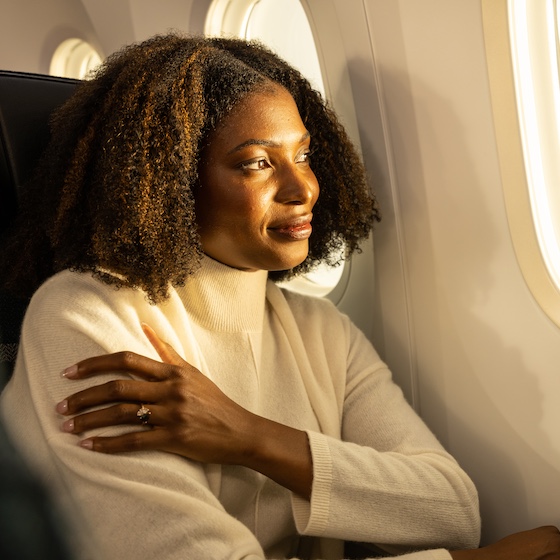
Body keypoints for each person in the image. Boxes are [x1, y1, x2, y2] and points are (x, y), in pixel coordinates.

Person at [0, 33, 558, 560]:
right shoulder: (87, 316)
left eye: (305, 155)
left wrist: (249, 436)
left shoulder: (320, 332)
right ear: (169, 181)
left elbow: (451, 509)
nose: (303, 188)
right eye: (257, 163)